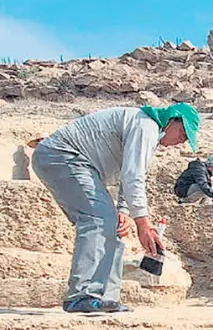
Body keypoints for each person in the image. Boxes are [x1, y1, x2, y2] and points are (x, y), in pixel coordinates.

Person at [31, 103, 200, 313]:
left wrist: (125, 212)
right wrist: (143, 223)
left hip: (79, 164)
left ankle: (107, 297)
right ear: (172, 120)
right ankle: (81, 295)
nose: (181, 142)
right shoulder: (145, 125)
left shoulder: (148, 133)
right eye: (183, 134)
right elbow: (132, 177)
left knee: (115, 224)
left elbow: (127, 175)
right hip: (62, 156)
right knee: (97, 219)